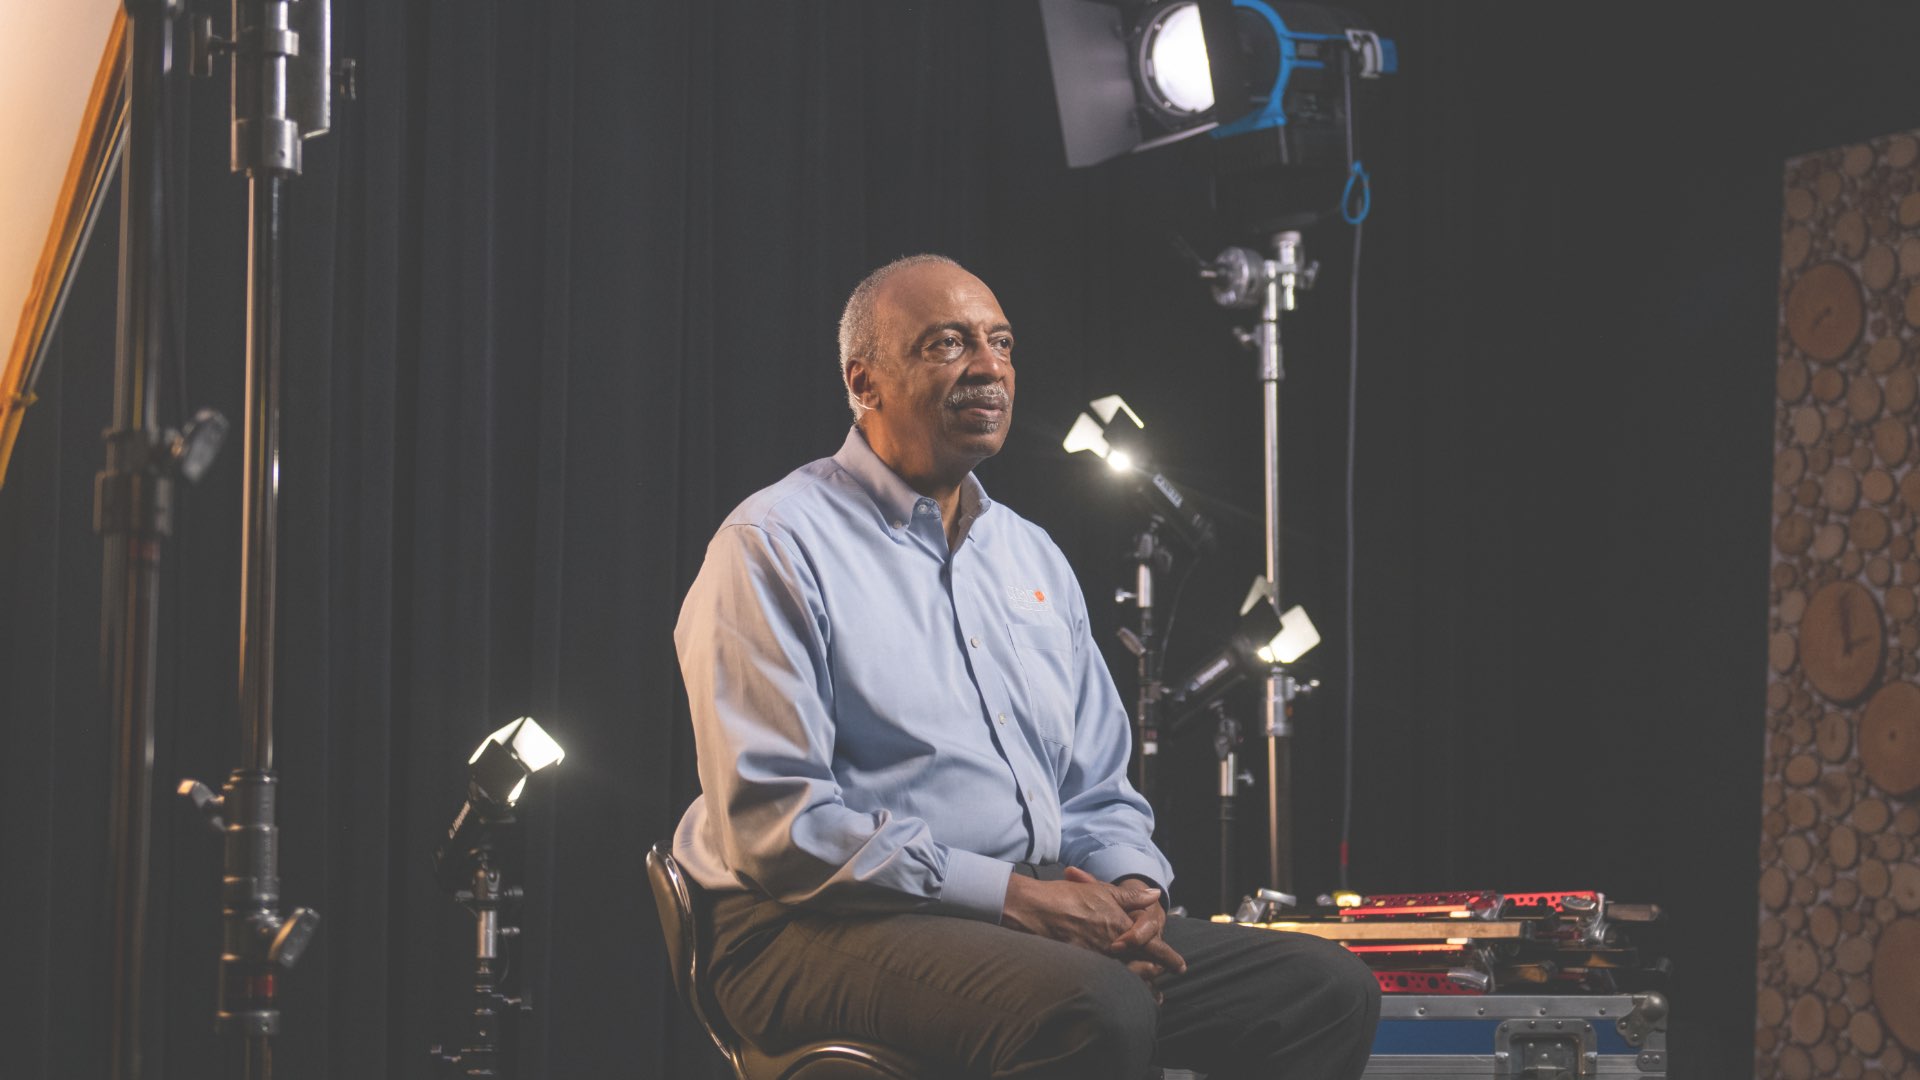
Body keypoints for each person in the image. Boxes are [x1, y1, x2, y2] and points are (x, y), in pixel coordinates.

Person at [671, 253, 1379, 1078]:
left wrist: (1133, 896)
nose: (989, 368)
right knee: (1096, 1008)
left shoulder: (1030, 556)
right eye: (948, 343)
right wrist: (1014, 900)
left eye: (1001, 343)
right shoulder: (774, 545)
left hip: (1027, 911)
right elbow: (780, 829)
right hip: (804, 926)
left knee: (1322, 991)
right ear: (864, 384)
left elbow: (1097, 789)